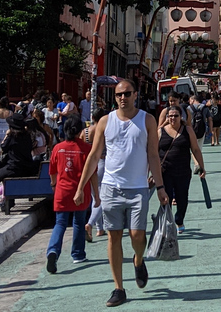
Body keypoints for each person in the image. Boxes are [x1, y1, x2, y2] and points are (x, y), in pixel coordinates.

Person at [74, 79, 168, 308]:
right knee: (113, 236)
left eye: (127, 93)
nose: (122, 98)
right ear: (114, 97)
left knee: (138, 236)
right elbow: (94, 156)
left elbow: (154, 155)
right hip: (110, 188)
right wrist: (81, 187)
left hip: (137, 190)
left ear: (135, 95)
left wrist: (160, 187)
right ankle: (119, 288)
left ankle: (138, 260)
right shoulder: (105, 122)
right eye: (118, 95)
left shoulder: (147, 120)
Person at [46, 115, 100, 273]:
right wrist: (97, 194)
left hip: (62, 190)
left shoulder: (58, 148)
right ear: (81, 130)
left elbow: (52, 171)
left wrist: (54, 185)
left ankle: (53, 251)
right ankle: (78, 254)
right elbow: (93, 174)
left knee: (60, 223)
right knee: (78, 222)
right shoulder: (86, 149)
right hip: (81, 191)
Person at [158, 103, 206, 234]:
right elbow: (153, 153)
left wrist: (201, 167)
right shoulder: (160, 131)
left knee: (182, 198)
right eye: (170, 116)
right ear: (167, 117)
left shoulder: (188, 130)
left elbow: (195, 149)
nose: (173, 118)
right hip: (165, 171)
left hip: (183, 171)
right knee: (165, 198)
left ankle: (179, 220)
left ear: (181, 117)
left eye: (176, 116)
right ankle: (167, 223)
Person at [0, 113, 38, 212]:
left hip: (14, 168)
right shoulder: (27, 135)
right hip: (27, 168)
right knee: (2, 172)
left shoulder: (12, 136)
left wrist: (6, 136)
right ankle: (8, 200)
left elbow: (3, 148)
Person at [85, 108, 108, 242]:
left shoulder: (86, 131)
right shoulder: (103, 129)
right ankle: (92, 223)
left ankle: (100, 228)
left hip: (91, 163)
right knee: (102, 197)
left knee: (95, 197)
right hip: (103, 162)